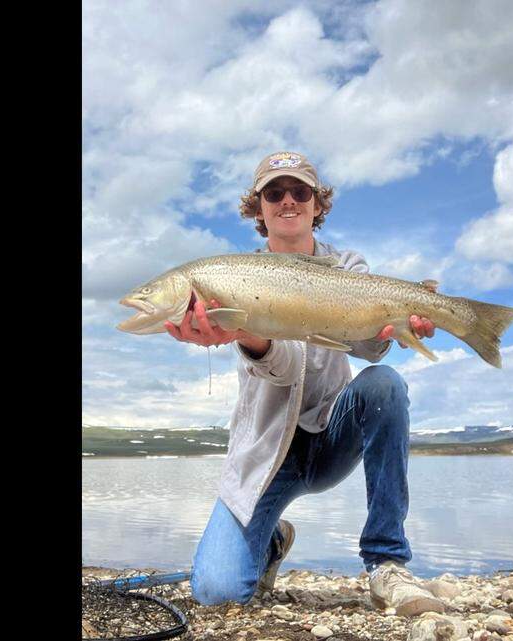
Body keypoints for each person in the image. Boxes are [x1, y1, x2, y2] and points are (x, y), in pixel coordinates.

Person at [164, 151, 445, 616]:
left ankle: (386, 561)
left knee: (384, 385)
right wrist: (246, 335)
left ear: (318, 204)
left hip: (333, 436)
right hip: (268, 453)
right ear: (259, 208)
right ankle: (271, 539)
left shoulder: (349, 266)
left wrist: (403, 325)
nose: (288, 200)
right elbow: (287, 367)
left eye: (301, 191)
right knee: (216, 591)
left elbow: (370, 350)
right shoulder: (233, 278)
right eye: (274, 193)